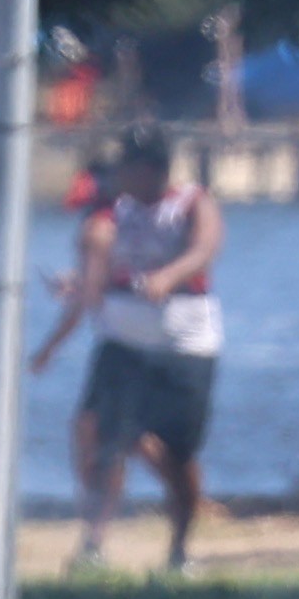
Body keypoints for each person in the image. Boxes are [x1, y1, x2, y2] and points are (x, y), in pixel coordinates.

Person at [32, 124, 223, 570]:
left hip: (185, 345)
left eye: (129, 167)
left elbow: (204, 249)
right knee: (100, 436)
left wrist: (168, 277)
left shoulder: (192, 203)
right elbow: (101, 276)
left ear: (152, 169)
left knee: (178, 453)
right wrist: (76, 286)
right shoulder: (112, 214)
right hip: (123, 345)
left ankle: (179, 551)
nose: (120, 176)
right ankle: (94, 542)